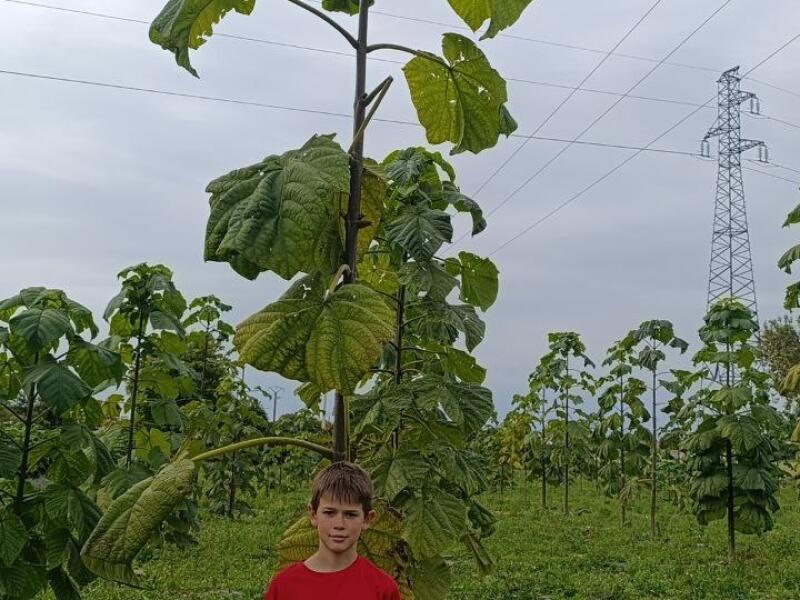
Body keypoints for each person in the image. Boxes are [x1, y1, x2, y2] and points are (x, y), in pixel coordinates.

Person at [263, 461, 401, 600]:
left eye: (350, 514)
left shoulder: (383, 589)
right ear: (313, 514)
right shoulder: (284, 587)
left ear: (367, 519)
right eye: (330, 513)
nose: (339, 524)